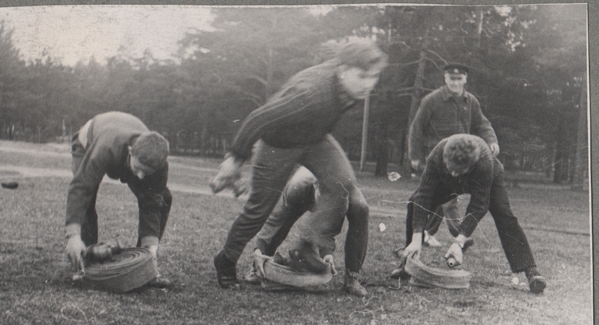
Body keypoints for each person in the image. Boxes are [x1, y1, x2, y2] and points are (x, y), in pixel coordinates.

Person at [210, 39, 388, 297]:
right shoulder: (310, 94)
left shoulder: (349, 80)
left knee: (343, 182)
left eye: (374, 77)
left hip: (314, 139)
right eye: (362, 76)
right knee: (258, 210)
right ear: (342, 70)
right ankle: (226, 259)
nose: (368, 84)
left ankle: (306, 245)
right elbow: (259, 117)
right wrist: (234, 159)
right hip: (277, 145)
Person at [396, 133, 546, 294]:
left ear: (471, 165)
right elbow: (424, 195)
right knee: (414, 203)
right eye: (451, 169)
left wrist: (459, 241)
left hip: (488, 176)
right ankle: (408, 262)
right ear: (445, 159)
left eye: (458, 171)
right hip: (446, 182)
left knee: (505, 215)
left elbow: (479, 205)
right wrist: (417, 236)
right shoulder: (437, 155)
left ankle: (531, 271)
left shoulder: (484, 162)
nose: (454, 174)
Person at [65, 112, 172, 288]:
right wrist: (73, 236)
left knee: (164, 198)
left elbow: (151, 204)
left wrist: (150, 248)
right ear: (130, 152)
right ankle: (85, 266)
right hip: (90, 140)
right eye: (138, 168)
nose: (140, 176)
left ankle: (142, 263)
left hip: (123, 141)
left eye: (147, 172)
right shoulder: (107, 147)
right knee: (88, 196)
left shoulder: (159, 166)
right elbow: (81, 187)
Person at [408, 63, 500, 247]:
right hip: (439, 160)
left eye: (459, 79)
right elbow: (416, 129)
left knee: (445, 198)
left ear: (465, 79)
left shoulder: (471, 101)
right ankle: (456, 232)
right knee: (438, 197)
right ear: (445, 79)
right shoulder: (431, 100)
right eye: (452, 79)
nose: (455, 83)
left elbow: (482, 124)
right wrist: (415, 156)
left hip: (463, 159)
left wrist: (491, 140)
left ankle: (430, 233)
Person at [243, 166, 350, 289]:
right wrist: (258, 250)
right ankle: (256, 268)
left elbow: (329, 230)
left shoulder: (340, 200)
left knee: (359, 209)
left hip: (331, 189)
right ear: (316, 187)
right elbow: (274, 221)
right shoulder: (298, 187)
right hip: (301, 191)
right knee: (281, 228)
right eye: (323, 197)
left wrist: (327, 254)